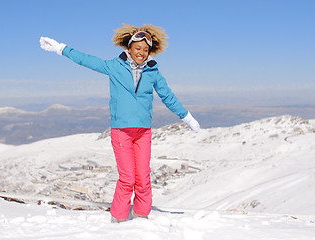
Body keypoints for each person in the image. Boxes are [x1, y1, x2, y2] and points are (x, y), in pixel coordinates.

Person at [39, 24, 200, 223]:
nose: (141, 53)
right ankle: (119, 219)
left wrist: (187, 117)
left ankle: (141, 217)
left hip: (143, 132)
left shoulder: (153, 72)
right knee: (127, 179)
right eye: (138, 48)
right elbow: (87, 60)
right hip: (121, 132)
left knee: (143, 178)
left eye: (145, 49)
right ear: (129, 48)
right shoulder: (114, 66)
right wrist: (61, 48)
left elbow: (168, 96)